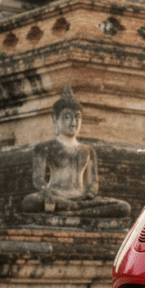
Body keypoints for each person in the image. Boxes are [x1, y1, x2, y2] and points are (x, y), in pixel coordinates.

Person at [22, 85, 130, 217]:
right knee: (30, 202)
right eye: (67, 117)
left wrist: (89, 195)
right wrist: (47, 193)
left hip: (81, 199)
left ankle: (71, 210)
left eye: (77, 117)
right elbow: (38, 179)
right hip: (56, 196)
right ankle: (77, 211)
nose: (74, 122)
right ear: (55, 119)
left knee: (123, 207)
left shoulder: (88, 150)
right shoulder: (45, 148)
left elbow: (93, 184)